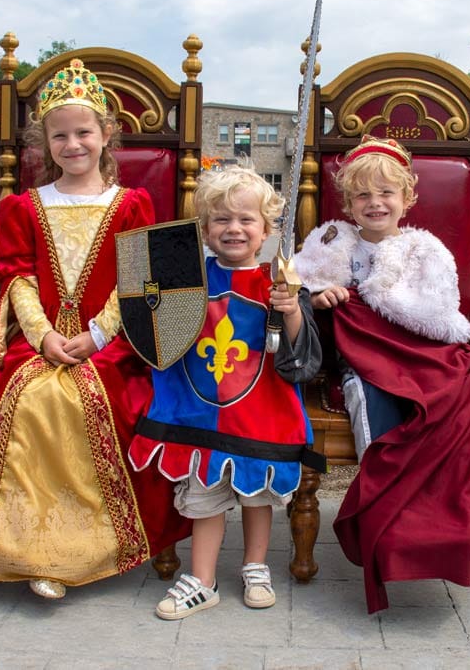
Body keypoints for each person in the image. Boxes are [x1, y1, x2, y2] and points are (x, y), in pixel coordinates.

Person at [0, 58, 190, 600]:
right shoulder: (23, 206)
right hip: (37, 341)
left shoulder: (131, 204)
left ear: (106, 134)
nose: (73, 144)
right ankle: (23, 550)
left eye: (83, 132)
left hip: (111, 345)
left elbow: (138, 278)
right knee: (29, 395)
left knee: (76, 398)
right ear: (44, 143)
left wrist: (96, 336)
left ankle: (77, 551)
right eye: (59, 135)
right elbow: (17, 277)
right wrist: (44, 336)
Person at [293, 135, 470, 613]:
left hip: (420, 355)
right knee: (369, 395)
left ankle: (434, 519)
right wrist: (318, 297)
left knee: (464, 398)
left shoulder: (424, 249)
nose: (375, 203)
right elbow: (296, 285)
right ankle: (387, 503)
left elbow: (438, 313)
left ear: (407, 199)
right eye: (362, 195)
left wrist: (381, 300)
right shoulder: (330, 243)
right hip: (364, 359)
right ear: (348, 203)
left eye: (386, 193)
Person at [128, 165, 324, 620]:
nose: (234, 228)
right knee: (203, 496)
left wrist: (291, 310)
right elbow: (156, 333)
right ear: (204, 230)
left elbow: (301, 356)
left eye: (246, 219)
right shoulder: (185, 279)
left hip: (260, 413)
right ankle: (202, 580)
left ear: (266, 230)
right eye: (221, 219)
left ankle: (256, 566)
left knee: (257, 494)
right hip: (200, 413)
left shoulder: (281, 283)